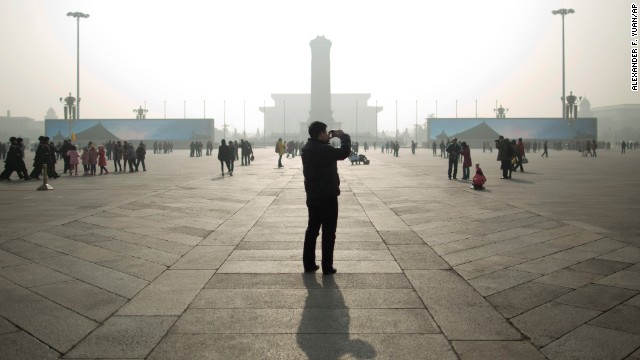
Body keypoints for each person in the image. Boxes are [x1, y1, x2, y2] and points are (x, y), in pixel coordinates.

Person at [301, 122, 351, 275]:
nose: (327, 134)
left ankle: (309, 264)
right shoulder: (324, 149)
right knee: (329, 232)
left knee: (312, 231)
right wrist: (344, 137)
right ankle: (327, 266)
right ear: (321, 133)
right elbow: (344, 153)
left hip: (313, 195)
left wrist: (328, 140)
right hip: (327, 196)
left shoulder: (306, 148)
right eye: (325, 132)